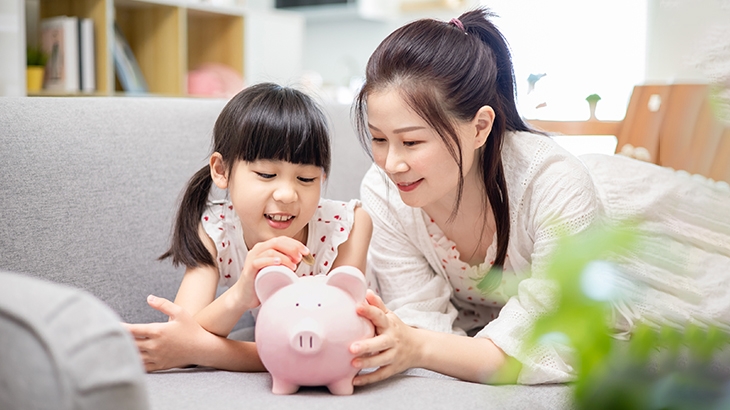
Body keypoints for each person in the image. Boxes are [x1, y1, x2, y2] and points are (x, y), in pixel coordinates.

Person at [347, 8, 730, 386]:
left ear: (479, 127)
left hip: (647, 222)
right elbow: (419, 321)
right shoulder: (383, 191)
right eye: (379, 139)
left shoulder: (551, 183)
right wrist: (419, 344)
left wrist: (420, 347)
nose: (391, 163)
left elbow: (554, 341)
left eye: (411, 141)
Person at [124, 83, 372, 372]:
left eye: (306, 179)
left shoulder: (347, 228)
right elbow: (183, 329)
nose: (287, 195)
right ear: (221, 170)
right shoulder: (216, 228)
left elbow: (334, 348)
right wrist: (241, 293)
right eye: (267, 174)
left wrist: (198, 350)